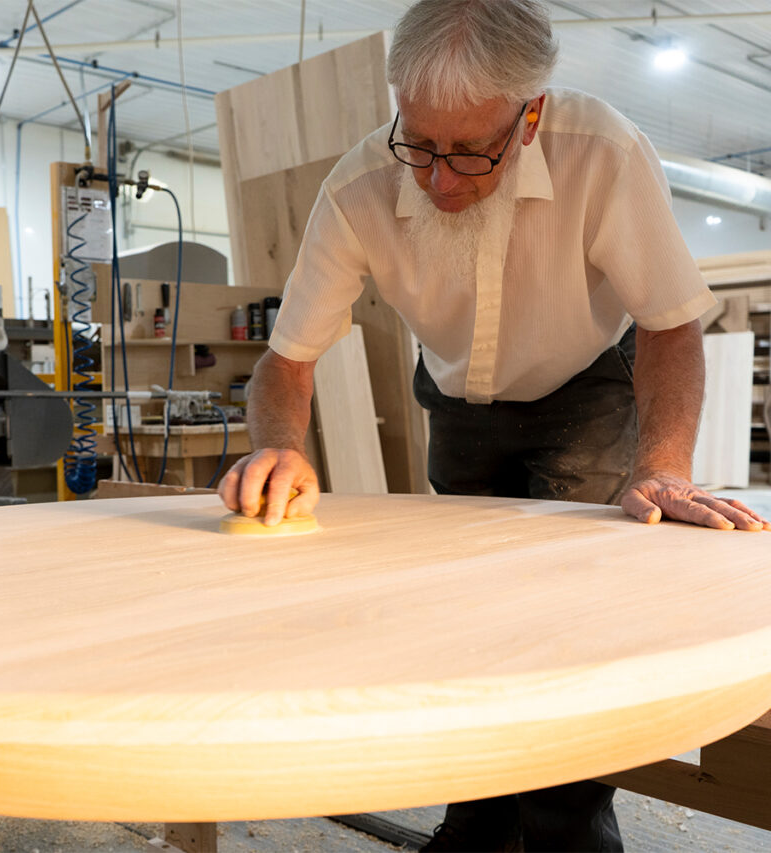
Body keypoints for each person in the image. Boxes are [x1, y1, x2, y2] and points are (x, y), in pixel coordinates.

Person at [218, 0, 771, 850]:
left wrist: (663, 464)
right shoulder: (360, 185)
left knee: (565, 624)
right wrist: (280, 445)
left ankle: (567, 829)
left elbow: (668, 322)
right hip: (454, 403)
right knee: (466, 620)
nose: (437, 180)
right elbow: (285, 362)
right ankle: (474, 821)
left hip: (586, 391)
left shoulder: (605, 152)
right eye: (420, 144)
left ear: (532, 115)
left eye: (470, 153)